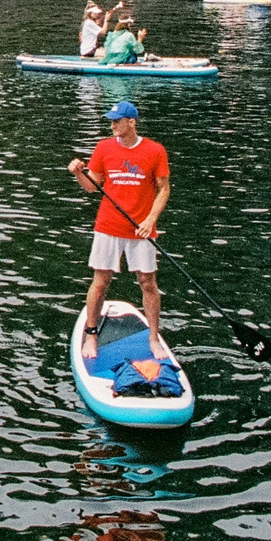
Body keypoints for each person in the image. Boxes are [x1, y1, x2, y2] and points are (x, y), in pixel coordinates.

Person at [67, 100, 171, 363]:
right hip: (108, 226)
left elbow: (164, 189)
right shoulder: (103, 148)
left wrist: (151, 220)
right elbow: (92, 187)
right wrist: (79, 173)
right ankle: (91, 334)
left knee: (148, 283)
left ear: (132, 122)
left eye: (117, 120)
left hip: (142, 230)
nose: (112, 125)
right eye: (111, 120)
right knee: (100, 282)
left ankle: (153, 338)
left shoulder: (155, 150)